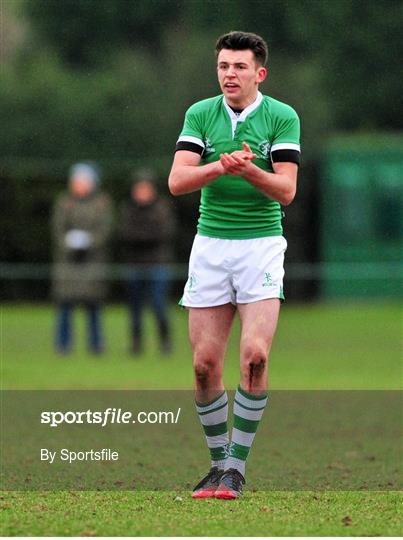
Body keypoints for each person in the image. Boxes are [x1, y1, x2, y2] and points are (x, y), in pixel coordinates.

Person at [168, 31, 300, 499]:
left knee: (256, 357)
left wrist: (251, 172)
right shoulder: (200, 114)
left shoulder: (282, 117)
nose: (230, 74)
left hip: (261, 246)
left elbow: (286, 190)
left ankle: (236, 471)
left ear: (258, 73)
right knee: (205, 366)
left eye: (240, 67)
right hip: (210, 247)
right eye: (224, 66)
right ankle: (218, 465)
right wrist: (220, 169)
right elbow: (178, 180)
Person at [52, 162, 113, 355]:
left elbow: (105, 230)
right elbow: (57, 229)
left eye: (83, 180)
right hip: (68, 264)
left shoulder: (102, 203)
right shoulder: (64, 202)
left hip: (93, 263)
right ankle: (63, 346)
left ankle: (96, 346)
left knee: (94, 307)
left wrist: (89, 242)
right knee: (64, 307)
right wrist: (69, 243)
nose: (78, 184)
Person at [119, 169, 176, 355]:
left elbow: (164, 234)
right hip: (134, 264)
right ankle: (136, 344)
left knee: (159, 305)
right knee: (134, 308)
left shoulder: (162, 208)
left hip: (158, 264)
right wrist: (145, 236)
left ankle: (165, 342)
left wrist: (141, 237)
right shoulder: (128, 209)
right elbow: (125, 234)